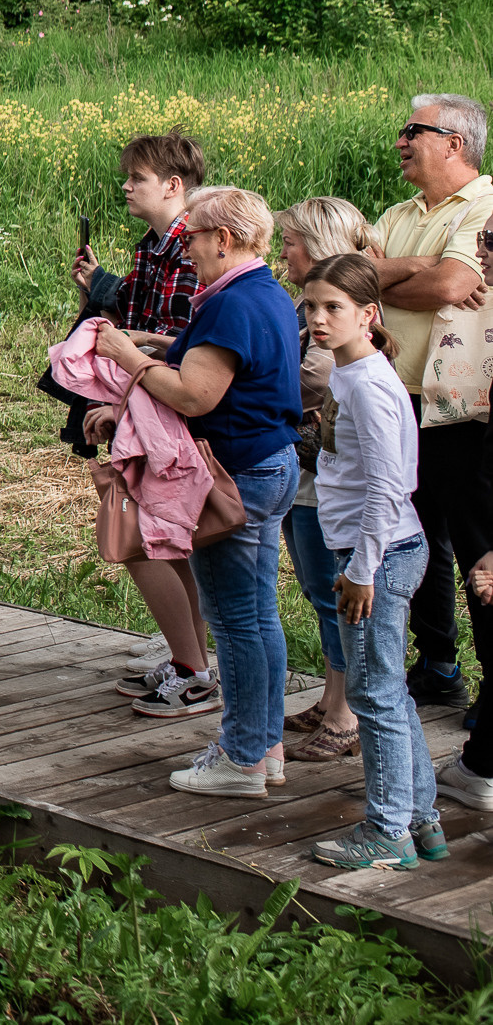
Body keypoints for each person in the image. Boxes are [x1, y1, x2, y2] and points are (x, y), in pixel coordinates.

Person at [89, 186, 301, 800]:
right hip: (270, 465)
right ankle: (264, 744)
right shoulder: (263, 292)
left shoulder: (231, 303)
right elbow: (211, 368)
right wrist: (161, 349)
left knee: (235, 622)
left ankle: (239, 759)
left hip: (234, 475)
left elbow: (195, 396)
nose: (189, 249)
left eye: (197, 237)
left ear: (224, 240)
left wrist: (130, 358)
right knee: (259, 617)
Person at [297, 255, 442, 867]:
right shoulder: (349, 375)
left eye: (334, 307)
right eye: (310, 307)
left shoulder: (373, 387)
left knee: (374, 695)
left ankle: (388, 832)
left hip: (378, 553)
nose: (319, 319)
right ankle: (422, 819)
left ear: (368, 314)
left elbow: (390, 486)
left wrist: (361, 569)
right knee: (387, 692)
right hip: (366, 549)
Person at [72, 133, 212, 716]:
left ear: (173, 186)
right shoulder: (154, 246)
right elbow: (137, 315)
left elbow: (177, 336)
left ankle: (195, 669)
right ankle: (193, 659)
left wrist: (128, 368)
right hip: (139, 400)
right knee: (166, 541)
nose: (126, 186)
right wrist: (101, 291)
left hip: (163, 407)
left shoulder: (188, 248)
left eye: (138, 178)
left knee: (140, 539)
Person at [371, 94, 493, 710]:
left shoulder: (486, 204)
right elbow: (347, 276)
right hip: (400, 399)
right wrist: (417, 269)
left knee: (480, 546)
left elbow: (454, 284)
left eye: (411, 130)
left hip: (463, 407)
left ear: (454, 142)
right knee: (415, 534)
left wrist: (389, 275)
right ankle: (438, 663)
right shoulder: (399, 211)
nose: (400, 141)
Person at [274, 196, 380, 760]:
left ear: (316, 244)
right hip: (309, 466)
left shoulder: (335, 316)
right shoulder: (309, 304)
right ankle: (334, 695)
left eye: (290, 241)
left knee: (330, 591)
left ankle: (345, 714)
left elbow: (304, 383)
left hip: (327, 477)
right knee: (318, 589)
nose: (282, 250)